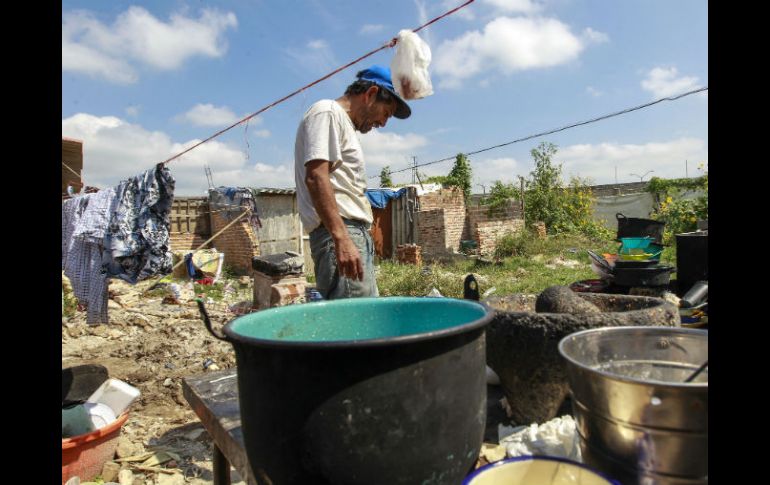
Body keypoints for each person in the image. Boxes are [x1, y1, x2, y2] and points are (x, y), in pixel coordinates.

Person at [295, 65, 411, 300]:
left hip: (352, 233)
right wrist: (342, 238)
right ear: (370, 94)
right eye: (385, 113)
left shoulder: (342, 123)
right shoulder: (327, 112)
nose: (383, 123)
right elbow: (316, 177)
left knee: (365, 319)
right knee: (356, 326)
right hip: (341, 231)